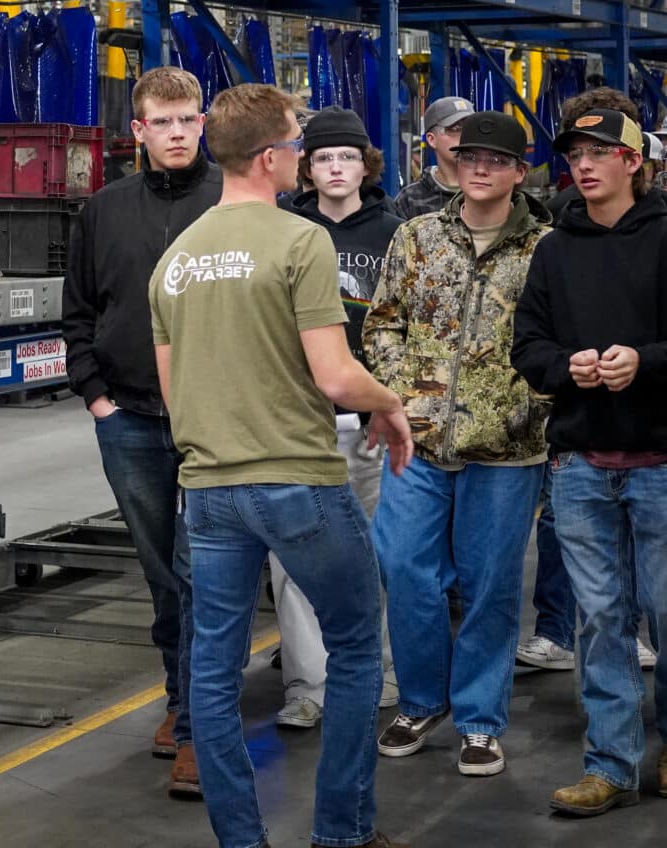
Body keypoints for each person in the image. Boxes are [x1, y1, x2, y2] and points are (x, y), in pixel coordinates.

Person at [150, 83, 413, 848]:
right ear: (269, 158)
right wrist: (389, 402)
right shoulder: (303, 243)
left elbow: (174, 396)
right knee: (359, 648)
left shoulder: (177, 257)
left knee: (213, 667)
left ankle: (242, 839)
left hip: (209, 492)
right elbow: (335, 377)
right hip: (297, 478)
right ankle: (343, 834)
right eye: (297, 144)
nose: (302, 156)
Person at [363, 111, 549, 778]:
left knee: (490, 586)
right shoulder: (417, 237)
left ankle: (478, 718)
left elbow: (557, 340)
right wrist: (398, 399)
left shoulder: (545, 247)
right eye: (470, 156)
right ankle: (419, 701)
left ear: (518, 172)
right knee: (405, 568)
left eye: (495, 161)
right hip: (420, 440)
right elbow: (383, 323)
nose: (479, 168)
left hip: (506, 449)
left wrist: (533, 406)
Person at [62, 65, 221, 793]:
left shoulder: (230, 201)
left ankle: (195, 729)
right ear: (139, 131)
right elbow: (79, 314)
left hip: (215, 418)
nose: (179, 132)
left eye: (189, 118)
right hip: (127, 416)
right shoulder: (103, 210)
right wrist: (97, 396)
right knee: (163, 576)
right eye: (164, 121)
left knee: (199, 573)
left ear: (205, 122)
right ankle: (179, 693)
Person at [512, 107, 667, 817]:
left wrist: (646, 361)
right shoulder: (555, 249)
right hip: (579, 464)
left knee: (666, 612)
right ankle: (610, 763)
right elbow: (528, 347)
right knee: (601, 619)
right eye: (576, 151)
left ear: (633, 162)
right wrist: (564, 368)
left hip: (661, 461)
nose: (585, 163)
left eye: (601, 151)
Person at [272, 107, 403, 729]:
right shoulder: (285, 231)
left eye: (346, 157)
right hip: (300, 421)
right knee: (299, 559)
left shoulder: (396, 232)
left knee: (378, 554)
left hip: (372, 423)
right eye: (323, 157)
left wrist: (391, 402)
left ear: (365, 164)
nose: (335, 168)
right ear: (307, 167)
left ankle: (376, 670)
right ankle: (307, 685)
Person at [391, 95, 475, 219]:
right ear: (431, 139)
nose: (465, 137)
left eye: (470, 128)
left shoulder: (486, 189)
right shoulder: (410, 200)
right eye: (455, 129)